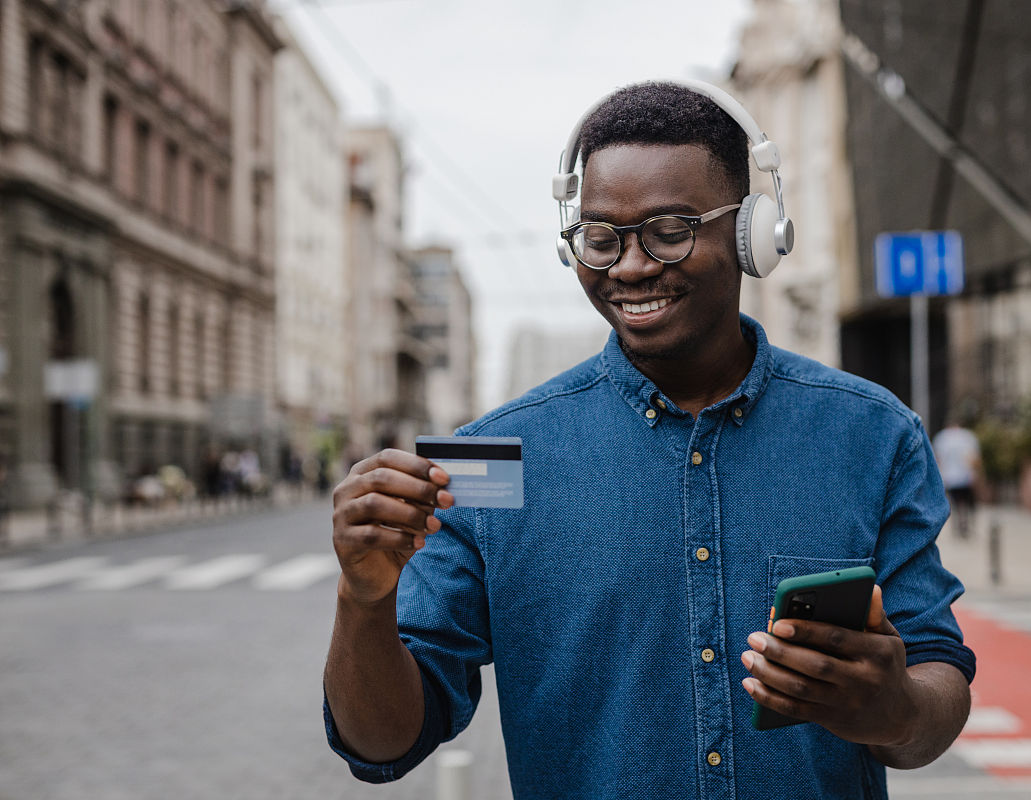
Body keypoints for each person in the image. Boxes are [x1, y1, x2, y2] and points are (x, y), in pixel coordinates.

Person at [324, 81, 974, 799]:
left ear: (753, 232)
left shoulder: (872, 435)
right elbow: (380, 745)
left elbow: (935, 684)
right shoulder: (493, 460)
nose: (629, 268)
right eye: (600, 240)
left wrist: (896, 710)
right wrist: (364, 598)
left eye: (669, 232)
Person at [932, 418, 982, 539]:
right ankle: (965, 523)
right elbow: (974, 458)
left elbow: (937, 459)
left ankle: (958, 524)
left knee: (955, 502)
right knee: (967, 502)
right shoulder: (968, 437)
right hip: (966, 476)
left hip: (950, 477)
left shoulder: (942, 438)